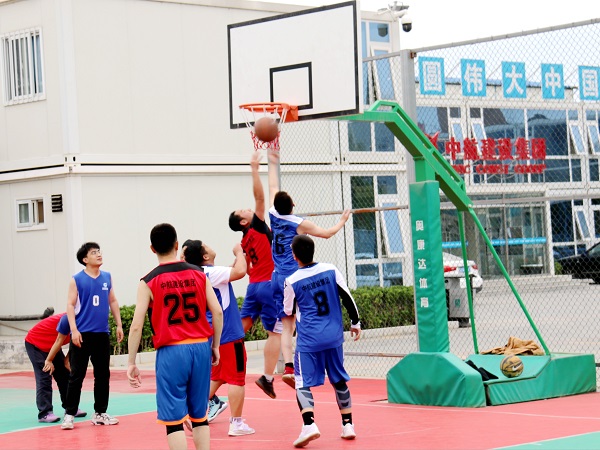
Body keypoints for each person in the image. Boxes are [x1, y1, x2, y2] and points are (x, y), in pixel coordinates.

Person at [127, 223, 223, 450]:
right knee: (200, 415)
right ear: (177, 244)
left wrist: (131, 362)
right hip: (200, 346)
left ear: (152, 248)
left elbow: (136, 326)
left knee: (174, 421)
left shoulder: (148, 281)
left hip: (171, 351)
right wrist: (215, 346)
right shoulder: (199, 273)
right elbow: (217, 312)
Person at [267, 150, 351, 388]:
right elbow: (326, 233)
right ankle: (305, 364)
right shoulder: (299, 223)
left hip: (277, 277)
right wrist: (342, 221)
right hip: (294, 278)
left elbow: (273, 186)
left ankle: (289, 367)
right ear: (293, 205)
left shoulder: (273, 215)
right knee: (306, 319)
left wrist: (271, 160)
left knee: (287, 326)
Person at [283, 234, 361, 448]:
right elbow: (347, 296)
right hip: (334, 337)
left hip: (309, 340)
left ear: (294, 256)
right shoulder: (331, 269)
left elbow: (288, 311)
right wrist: (355, 322)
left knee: (302, 381)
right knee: (339, 379)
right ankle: (348, 425)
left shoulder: (292, 281)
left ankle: (309, 424)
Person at [183, 239, 255, 437]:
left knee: (218, 377)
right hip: (228, 334)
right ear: (205, 256)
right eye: (206, 245)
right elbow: (240, 272)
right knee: (237, 379)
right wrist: (238, 251)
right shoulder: (211, 273)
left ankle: (190, 412)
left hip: (211, 335)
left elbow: (232, 270)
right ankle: (236, 423)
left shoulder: (199, 274)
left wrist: (239, 259)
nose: (210, 245)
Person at [228, 151, 281, 399]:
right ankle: (267, 378)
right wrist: (254, 169)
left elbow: (244, 268)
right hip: (269, 285)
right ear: (243, 222)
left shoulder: (244, 241)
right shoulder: (257, 226)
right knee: (276, 332)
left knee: (239, 331)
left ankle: (220, 364)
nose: (249, 209)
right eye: (244, 211)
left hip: (254, 287)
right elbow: (260, 197)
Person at [61, 242, 124, 430]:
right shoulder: (77, 280)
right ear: (85, 259)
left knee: (103, 375)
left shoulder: (107, 277)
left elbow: (113, 300)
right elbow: (70, 305)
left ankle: (100, 413)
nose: (98, 254)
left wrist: (119, 324)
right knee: (77, 376)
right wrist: (74, 330)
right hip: (82, 334)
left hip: (101, 334)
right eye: (94, 252)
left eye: (99, 251)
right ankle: (69, 414)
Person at [24, 312, 86, 423]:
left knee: (65, 375)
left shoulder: (87, 324)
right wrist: (49, 360)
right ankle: (44, 413)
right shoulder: (69, 319)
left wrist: (67, 359)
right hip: (36, 343)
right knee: (45, 375)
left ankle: (70, 409)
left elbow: (76, 343)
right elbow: (59, 340)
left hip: (53, 345)